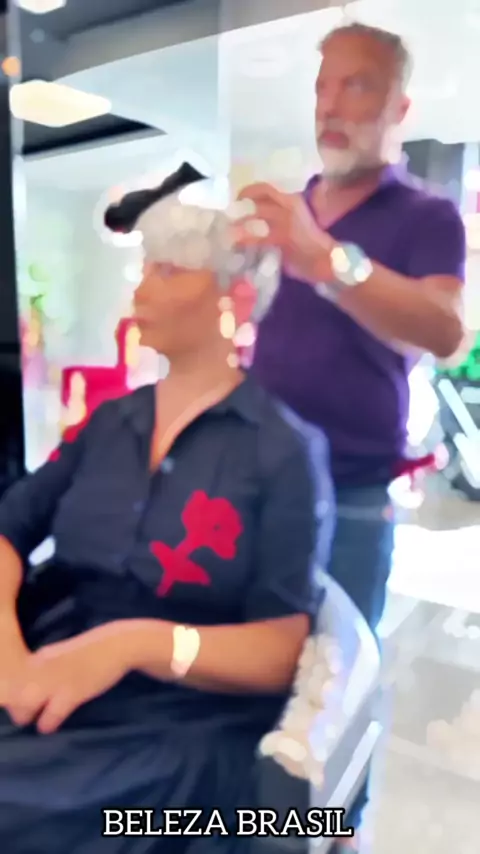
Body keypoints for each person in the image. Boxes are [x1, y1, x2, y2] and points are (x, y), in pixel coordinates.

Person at [0, 164, 333, 853]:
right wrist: (9, 655)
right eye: (145, 269)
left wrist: (135, 643)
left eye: (169, 272)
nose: (141, 289)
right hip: (47, 663)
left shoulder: (283, 453)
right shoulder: (109, 423)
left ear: (236, 299)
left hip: (177, 721)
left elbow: (279, 651)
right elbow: (10, 529)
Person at [238, 22, 466, 850]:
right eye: (323, 87)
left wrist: (328, 260)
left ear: (400, 107)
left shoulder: (428, 216)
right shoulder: (292, 210)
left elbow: (445, 333)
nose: (331, 106)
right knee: (259, 681)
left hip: (351, 497)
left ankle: (339, 833)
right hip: (255, 483)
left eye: (357, 85)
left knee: (339, 690)